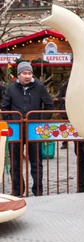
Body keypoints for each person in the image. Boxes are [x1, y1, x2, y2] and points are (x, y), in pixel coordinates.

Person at [1, 61, 54, 196]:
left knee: (36, 162)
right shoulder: (11, 89)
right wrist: (11, 121)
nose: (27, 76)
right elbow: (5, 107)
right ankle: (18, 190)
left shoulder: (39, 87)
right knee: (15, 162)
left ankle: (38, 190)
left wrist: (40, 122)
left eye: (29, 73)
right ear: (19, 75)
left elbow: (49, 106)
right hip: (16, 130)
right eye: (24, 73)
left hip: (34, 130)